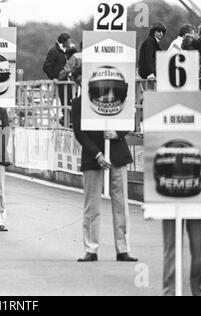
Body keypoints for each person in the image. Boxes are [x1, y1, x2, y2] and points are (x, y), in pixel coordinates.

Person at [71, 68, 138, 262]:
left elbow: (128, 122)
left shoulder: (116, 96)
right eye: (77, 80)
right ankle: (91, 249)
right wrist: (97, 153)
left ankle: (123, 248)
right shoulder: (78, 104)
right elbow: (79, 132)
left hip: (117, 153)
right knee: (91, 205)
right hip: (93, 157)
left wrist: (117, 133)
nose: (80, 83)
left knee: (121, 204)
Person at [161, 135, 201, 296]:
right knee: (171, 247)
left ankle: (200, 290)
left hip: (198, 192)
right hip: (168, 192)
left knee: (199, 249)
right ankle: (169, 291)